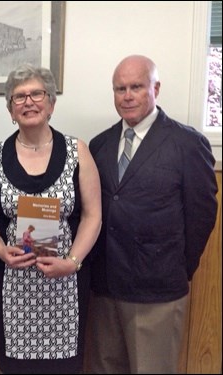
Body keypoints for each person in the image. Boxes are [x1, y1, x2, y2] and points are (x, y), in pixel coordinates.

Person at [86, 55, 218, 373]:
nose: (127, 95)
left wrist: (177, 266)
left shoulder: (187, 143)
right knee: (106, 367)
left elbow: (202, 215)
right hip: (105, 288)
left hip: (157, 290)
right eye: (120, 88)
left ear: (155, 88)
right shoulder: (99, 145)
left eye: (136, 87)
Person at [0, 63, 102, 374]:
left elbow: (93, 215)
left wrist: (72, 261)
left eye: (37, 94)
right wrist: (0, 251)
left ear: (51, 103)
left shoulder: (77, 151)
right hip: (14, 281)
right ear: (10, 110)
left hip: (64, 281)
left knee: (64, 365)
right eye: (19, 97)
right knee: (15, 365)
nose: (28, 102)